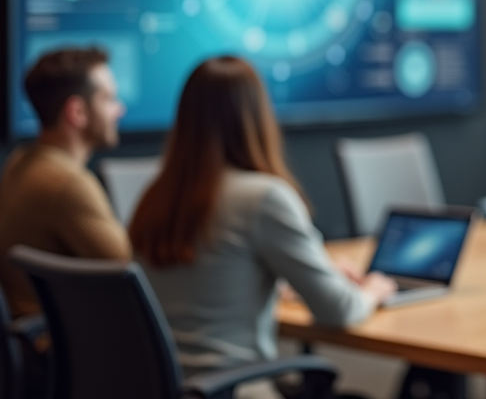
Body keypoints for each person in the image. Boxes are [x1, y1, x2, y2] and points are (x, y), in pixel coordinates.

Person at [129, 56, 396, 384]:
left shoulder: (155, 196)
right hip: (234, 389)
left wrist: (298, 279)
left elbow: (208, 277)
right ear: (255, 117)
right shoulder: (264, 198)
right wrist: (373, 290)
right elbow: (339, 311)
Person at [0, 47, 130, 319]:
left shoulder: (20, 162)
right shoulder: (66, 184)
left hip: (44, 345)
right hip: (66, 348)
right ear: (77, 112)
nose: (120, 109)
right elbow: (133, 271)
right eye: (108, 99)